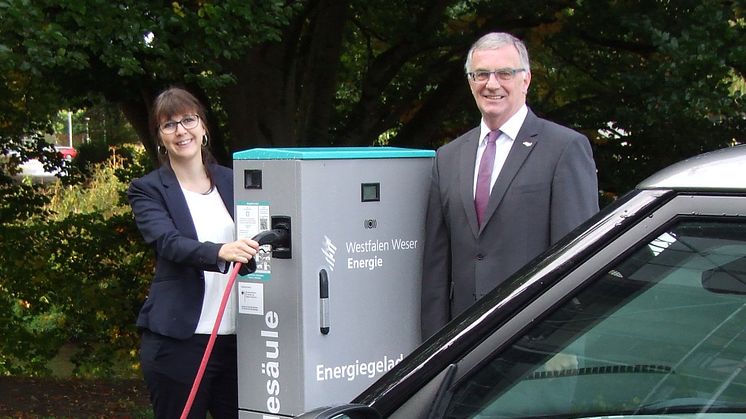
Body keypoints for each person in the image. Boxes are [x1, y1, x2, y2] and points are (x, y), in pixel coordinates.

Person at [421, 32, 599, 341]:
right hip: (460, 345)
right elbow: (436, 268)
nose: (492, 84)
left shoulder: (563, 148)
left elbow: (578, 259)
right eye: (481, 74)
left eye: (504, 73)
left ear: (526, 80)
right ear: (470, 81)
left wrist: (562, 345)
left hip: (534, 345)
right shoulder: (447, 158)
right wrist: (434, 349)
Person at [127, 87, 260, 418]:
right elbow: (168, 242)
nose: (181, 130)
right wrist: (221, 252)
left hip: (239, 344)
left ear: (203, 127)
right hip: (180, 344)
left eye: (188, 119)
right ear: (159, 137)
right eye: (169, 125)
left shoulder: (237, 182)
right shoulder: (148, 189)